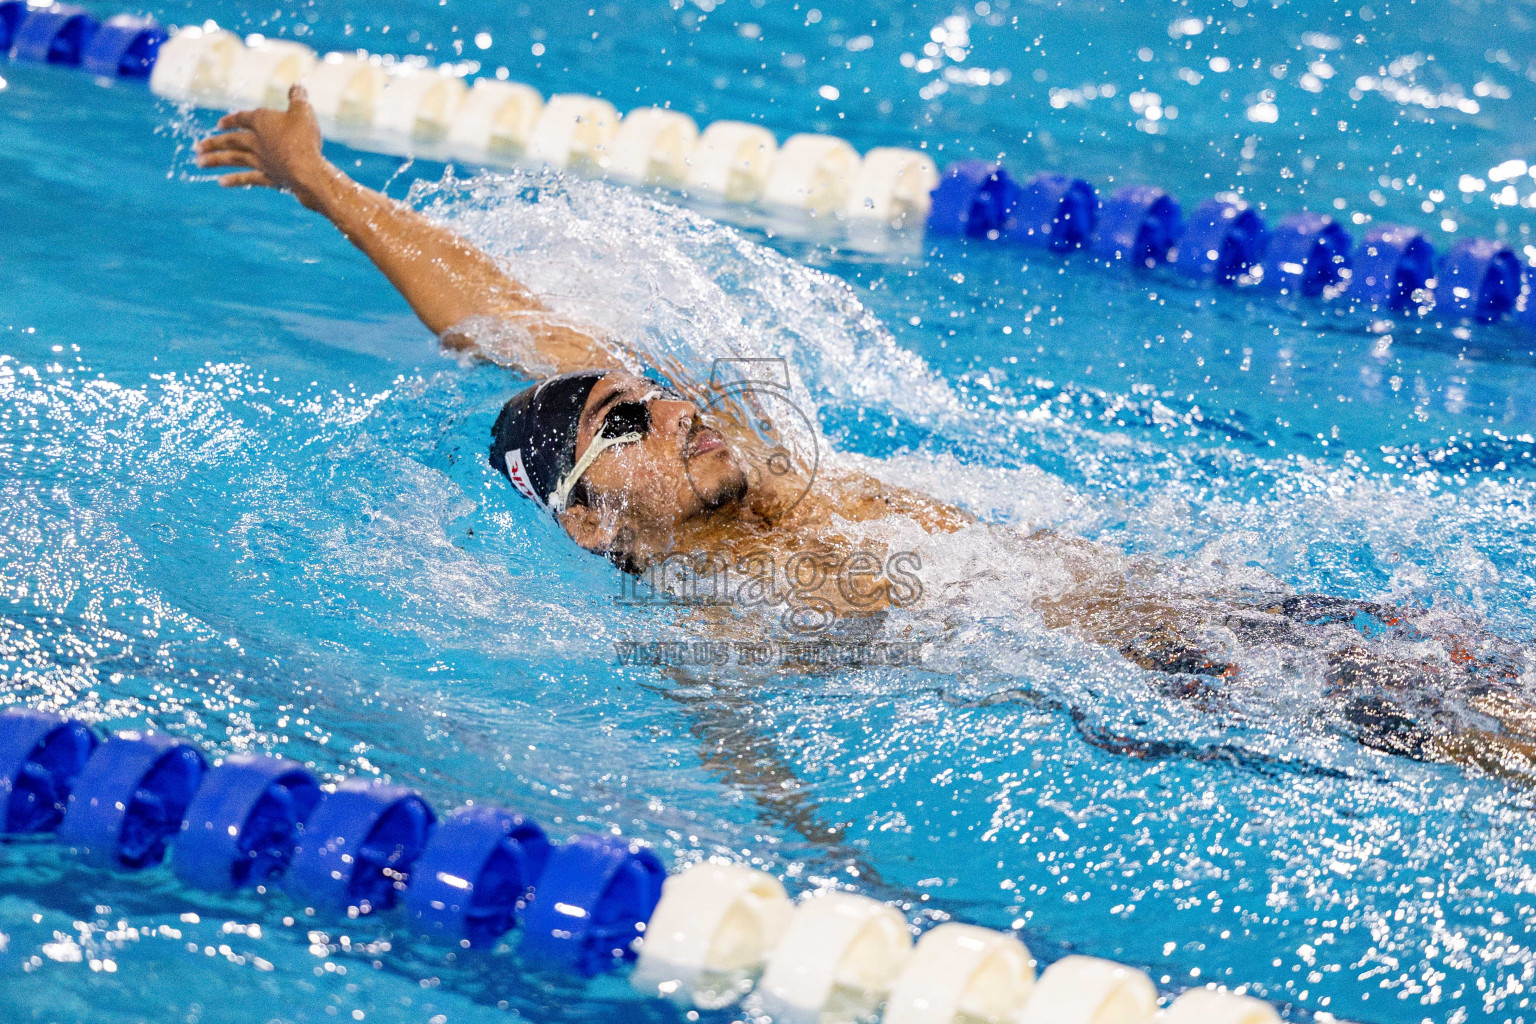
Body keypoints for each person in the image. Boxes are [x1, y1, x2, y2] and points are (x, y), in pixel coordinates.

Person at [195, 86, 1536, 783]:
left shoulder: (739, 475)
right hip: (1185, 682)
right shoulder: (717, 628)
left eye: (654, 394)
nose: (675, 401)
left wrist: (323, 187)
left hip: (1226, 600)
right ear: (592, 518)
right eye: (631, 419)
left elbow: (491, 318)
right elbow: (757, 786)